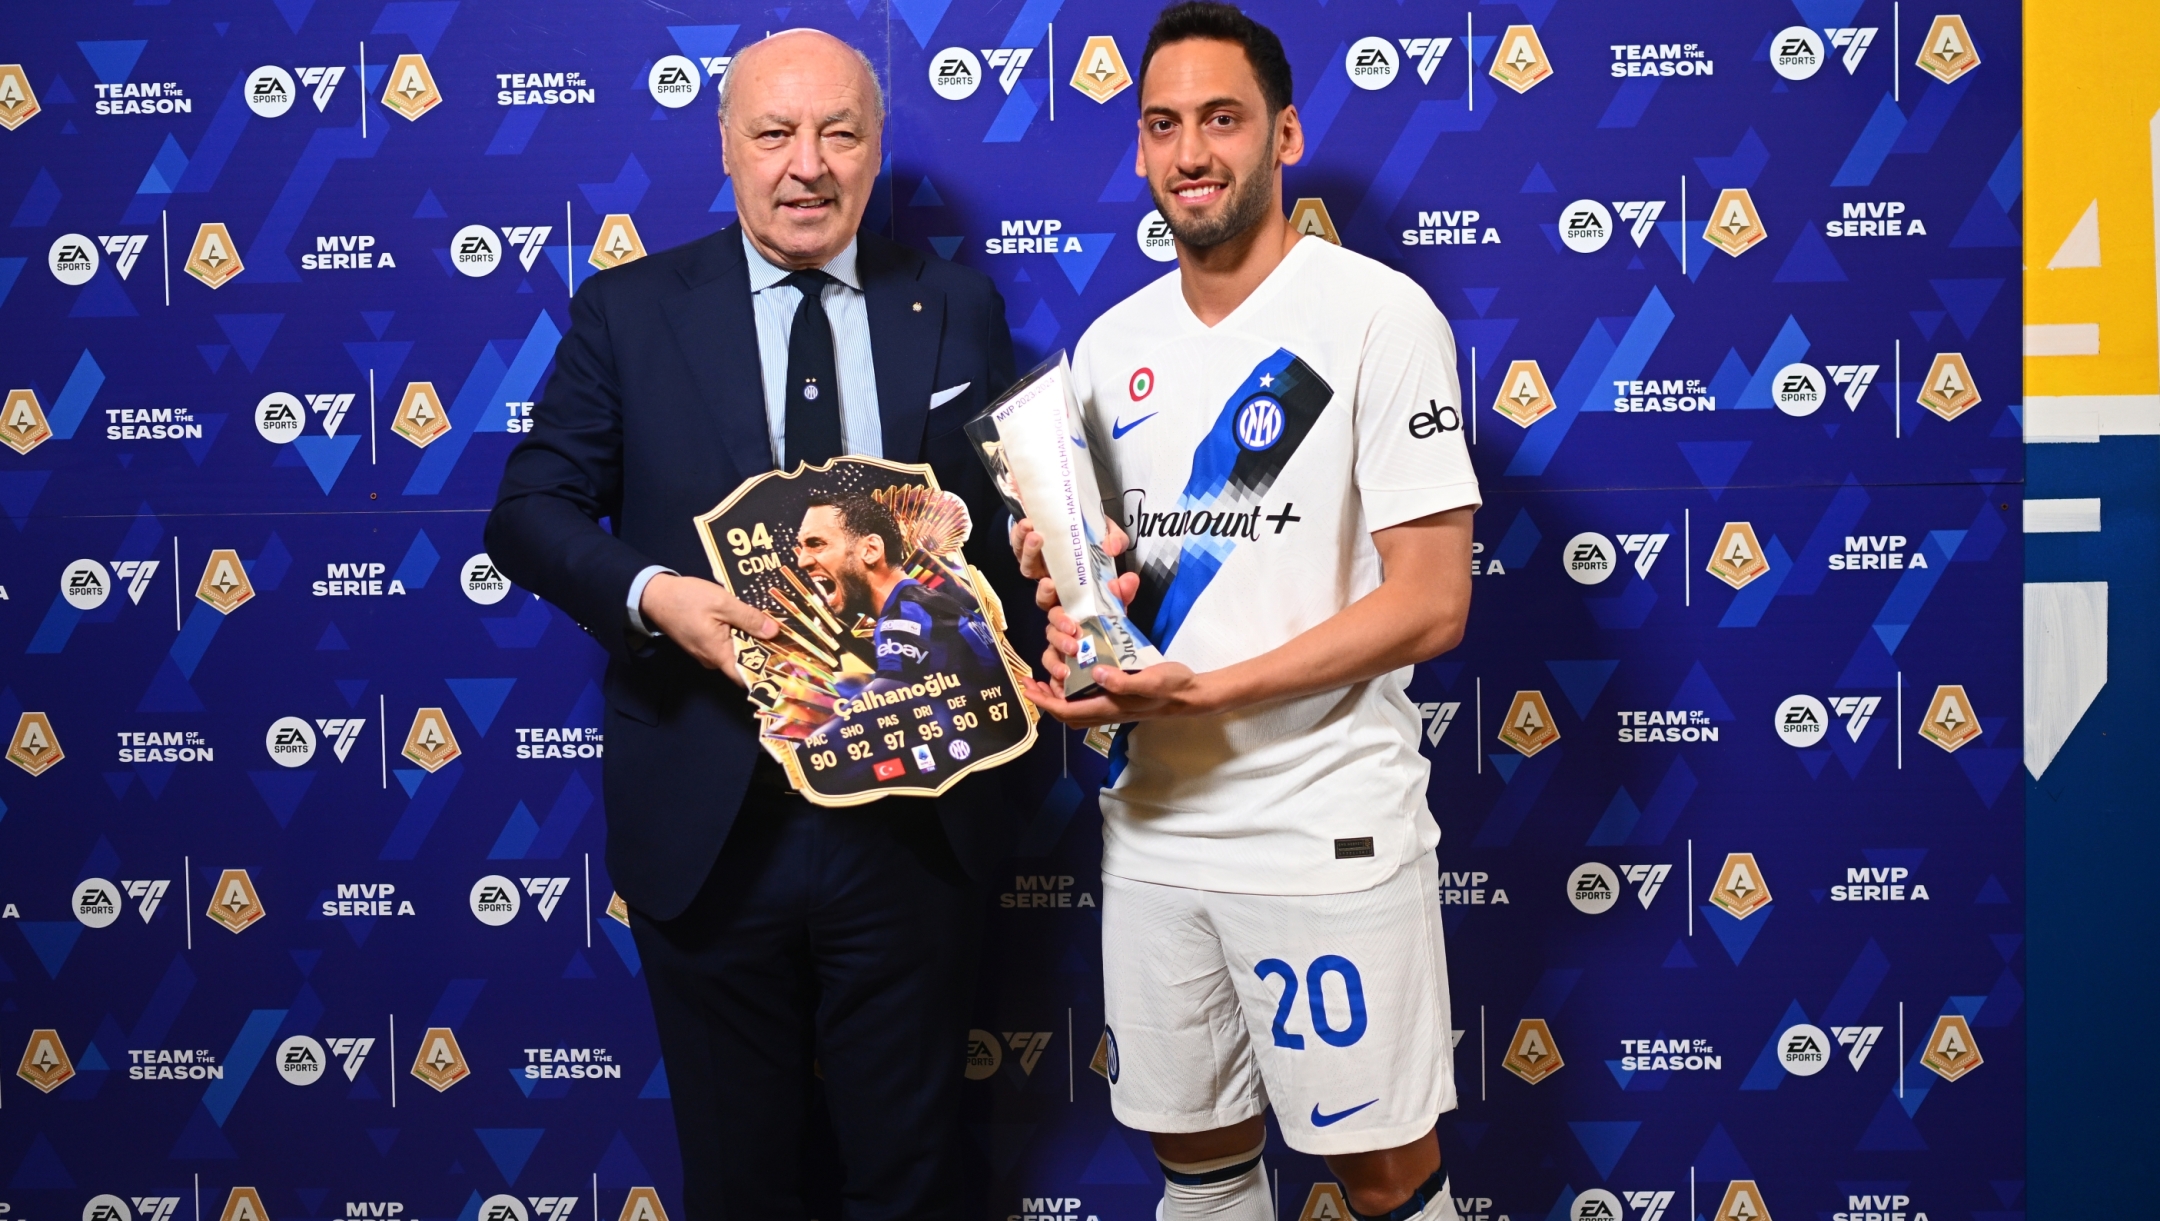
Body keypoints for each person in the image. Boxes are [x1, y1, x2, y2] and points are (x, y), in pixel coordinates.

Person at [485, 28, 1027, 1221]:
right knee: (740, 1184)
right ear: (725, 148)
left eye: (839, 133)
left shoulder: (960, 305)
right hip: (714, 819)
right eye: (775, 134)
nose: (807, 165)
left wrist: (993, 546)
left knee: (915, 1180)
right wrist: (655, 599)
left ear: (877, 149)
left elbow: (1015, 527)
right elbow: (527, 512)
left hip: (911, 814)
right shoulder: (629, 312)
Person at [1012, 5, 1479, 1221]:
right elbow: (1113, 593)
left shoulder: (1378, 317)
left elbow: (1431, 606)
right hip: (1156, 829)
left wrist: (1209, 694)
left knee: (1382, 1174)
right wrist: (1068, 620)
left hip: (1323, 830)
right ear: (1138, 149)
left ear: (1285, 132)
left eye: (1222, 120)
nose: (1191, 153)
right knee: (1199, 1164)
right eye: (1162, 125)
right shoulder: (1112, 348)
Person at [793, 492, 1003, 684]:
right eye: (802, 547)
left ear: (871, 550)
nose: (802, 561)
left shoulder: (903, 618)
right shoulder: (938, 606)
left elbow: (886, 710)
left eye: (816, 543)